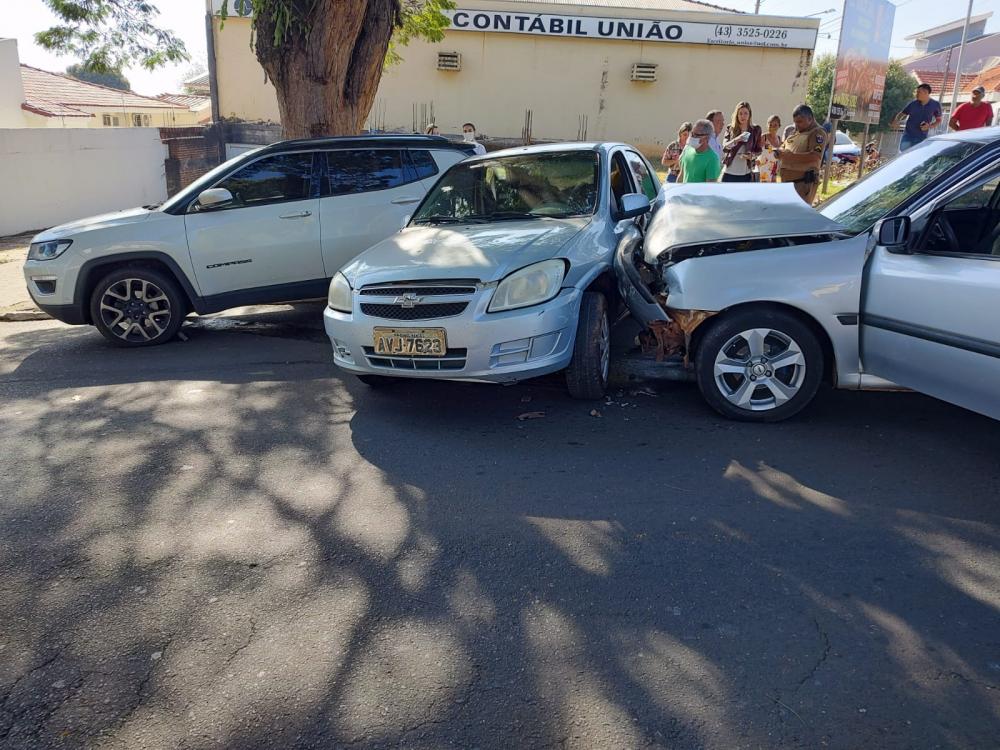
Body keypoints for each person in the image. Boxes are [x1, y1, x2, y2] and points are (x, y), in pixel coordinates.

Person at [776, 104, 825, 204]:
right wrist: (779, 152)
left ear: (810, 119)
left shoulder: (817, 133)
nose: (796, 125)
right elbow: (784, 146)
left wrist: (790, 156)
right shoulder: (795, 132)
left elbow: (815, 156)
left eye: (799, 122)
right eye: (795, 122)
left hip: (802, 184)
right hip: (788, 184)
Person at [892, 83, 942, 152]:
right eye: (917, 92)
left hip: (921, 137)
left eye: (919, 92)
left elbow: (939, 120)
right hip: (908, 135)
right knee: (904, 154)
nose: (916, 94)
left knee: (916, 154)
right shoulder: (913, 104)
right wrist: (896, 121)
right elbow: (902, 114)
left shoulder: (935, 105)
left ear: (926, 93)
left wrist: (929, 126)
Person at [721, 101, 762, 183]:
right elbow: (725, 147)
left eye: (746, 113)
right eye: (740, 113)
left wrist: (752, 156)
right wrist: (737, 139)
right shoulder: (730, 128)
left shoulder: (755, 129)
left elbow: (758, 150)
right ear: (737, 115)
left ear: (749, 115)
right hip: (729, 171)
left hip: (746, 172)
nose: (743, 116)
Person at [679, 119, 721, 184]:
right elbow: (681, 176)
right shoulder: (687, 149)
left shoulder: (712, 159)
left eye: (696, 134)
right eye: (692, 133)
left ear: (706, 138)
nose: (692, 137)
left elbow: (710, 186)